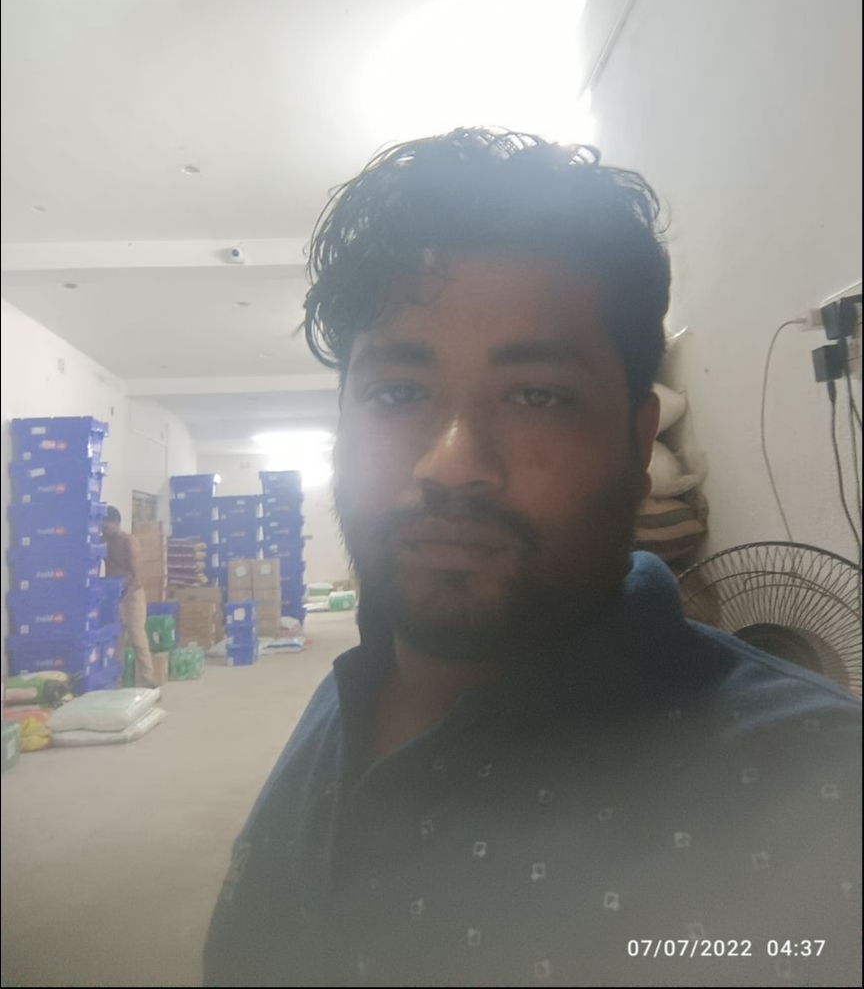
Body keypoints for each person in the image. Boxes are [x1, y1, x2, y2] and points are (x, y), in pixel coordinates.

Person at [204, 129, 861, 988]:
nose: (450, 464)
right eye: (397, 391)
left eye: (536, 395)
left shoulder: (822, 794)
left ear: (638, 442)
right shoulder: (354, 686)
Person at [102, 506, 156, 689]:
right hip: (112, 594)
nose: (104, 530)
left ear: (116, 522)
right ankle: (115, 681)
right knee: (115, 639)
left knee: (137, 637)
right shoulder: (103, 541)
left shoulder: (129, 542)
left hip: (132, 593)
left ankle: (148, 680)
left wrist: (122, 600)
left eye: (106, 526)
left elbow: (137, 577)